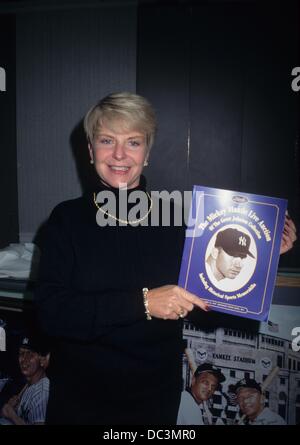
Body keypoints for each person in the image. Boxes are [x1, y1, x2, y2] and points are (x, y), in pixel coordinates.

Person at [35, 92, 296, 425]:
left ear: (147, 154)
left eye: (133, 142)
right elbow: (51, 314)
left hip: (153, 401)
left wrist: (264, 258)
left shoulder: (179, 217)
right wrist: (143, 303)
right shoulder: (66, 219)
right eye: (106, 140)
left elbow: (208, 300)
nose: (119, 154)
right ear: (90, 151)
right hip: (82, 400)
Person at [0, 335, 50, 425]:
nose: (23, 359)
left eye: (30, 354)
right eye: (21, 353)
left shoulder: (43, 392)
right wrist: (14, 409)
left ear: (43, 360)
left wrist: (12, 415)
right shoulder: (29, 384)